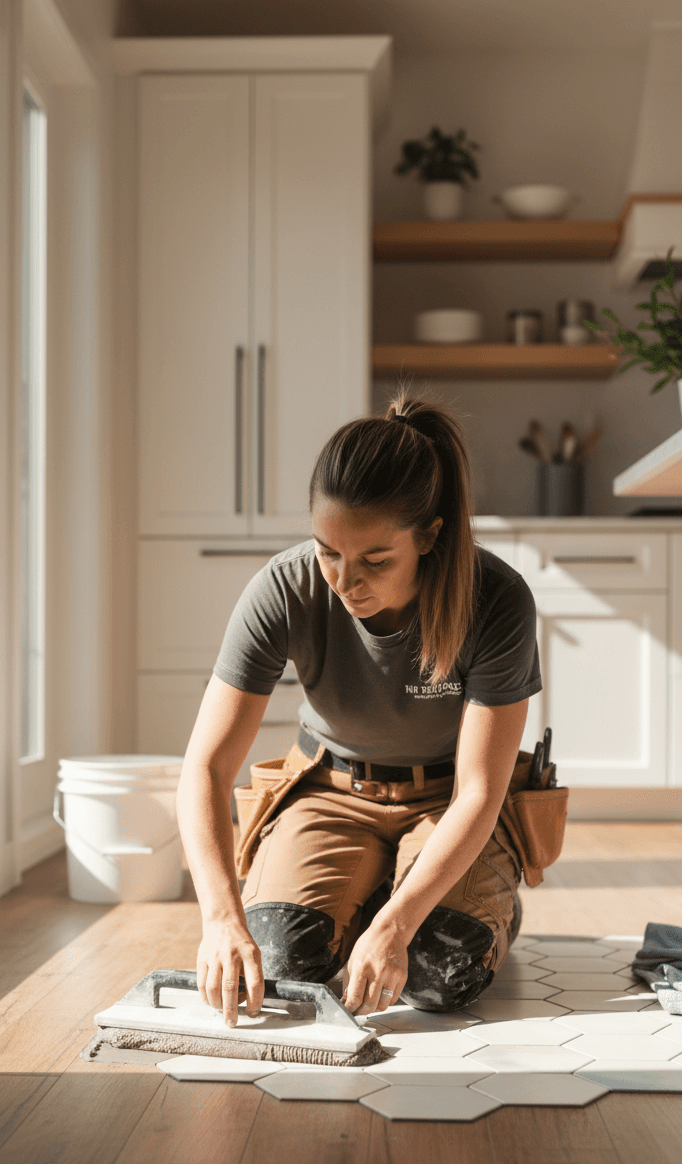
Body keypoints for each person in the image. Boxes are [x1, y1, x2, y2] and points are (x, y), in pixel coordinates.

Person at [175, 395, 542, 1028]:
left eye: (375, 560)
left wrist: (398, 926)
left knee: (434, 974)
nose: (345, 581)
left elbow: (481, 790)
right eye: (328, 552)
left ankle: (459, 901)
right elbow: (205, 768)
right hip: (329, 792)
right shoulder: (282, 588)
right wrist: (219, 918)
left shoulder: (499, 599)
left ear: (429, 535)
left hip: (449, 801)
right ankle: (374, 889)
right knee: (281, 963)